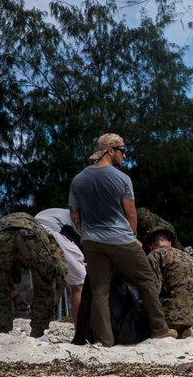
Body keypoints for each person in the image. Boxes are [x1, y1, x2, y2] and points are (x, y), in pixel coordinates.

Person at [68, 133, 176, 346]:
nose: (125, 155)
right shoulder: (121, 178)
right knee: (146, 279)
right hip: (120, 239)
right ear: (110, 150)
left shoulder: (78, 179)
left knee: (100, 290)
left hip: (91, 240)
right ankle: (159, 329)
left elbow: (74, 214)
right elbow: (132, 213)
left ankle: (104, 340)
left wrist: (85, 233)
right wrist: (134, 237)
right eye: (122, 150)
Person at [0, 212, 67, 338]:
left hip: (0, 235)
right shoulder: (44, 232)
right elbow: (59, 266)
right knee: (44, 284)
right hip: (31, 235)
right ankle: (38, 332)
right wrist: (53, 284)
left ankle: (0, 333)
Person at [146, 231, 193, 338]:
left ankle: (171, 330)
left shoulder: (155, 256)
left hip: (169, 315)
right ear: (170, 243)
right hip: (191, 316)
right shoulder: (188, 257)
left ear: (151, 247)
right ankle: (184, 331)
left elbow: (153, 289)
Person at [34, 208, 87, 326]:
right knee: (79, 285)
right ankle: (81, 331)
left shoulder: (65, 214)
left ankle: (39, 331)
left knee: (47, 285)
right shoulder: (87, 220)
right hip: (53, 231)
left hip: (31, 233)